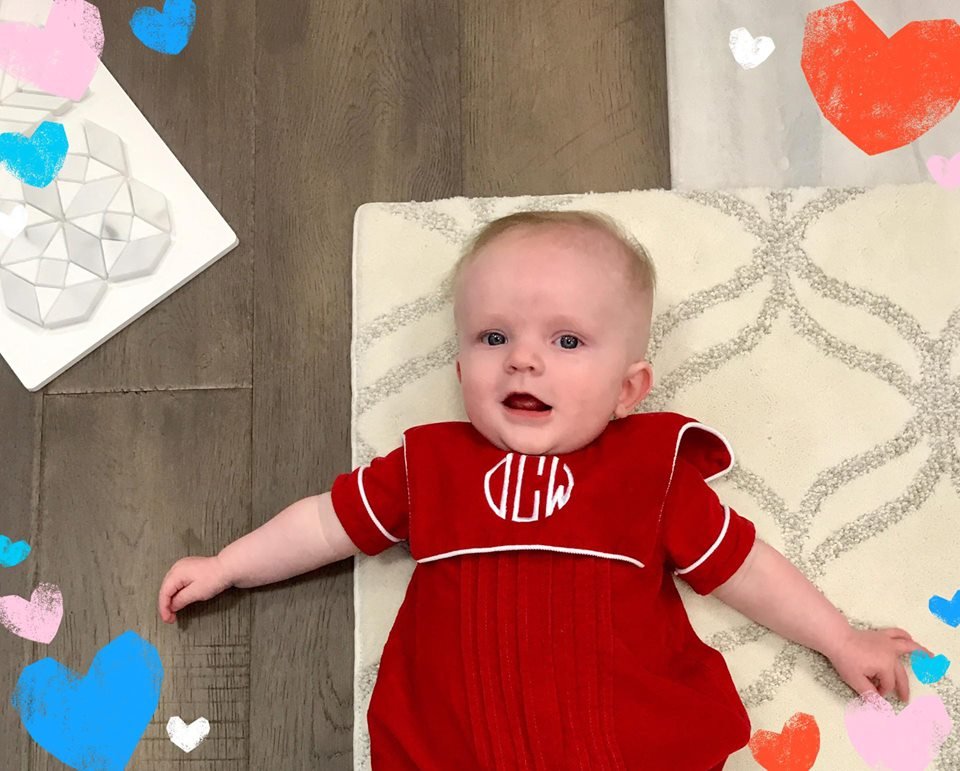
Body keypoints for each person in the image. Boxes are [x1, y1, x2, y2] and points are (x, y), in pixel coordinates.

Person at [158, 210, 931, 770]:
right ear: (461, 371)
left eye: (566, 341)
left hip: (627, 745)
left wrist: (839, 636)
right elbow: (326, 523)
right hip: (456, 745)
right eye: (494, 337)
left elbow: (745, 567)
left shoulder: (649, 471)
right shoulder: (431, 465)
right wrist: (230, 563)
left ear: (630, 387)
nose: (523, 360)